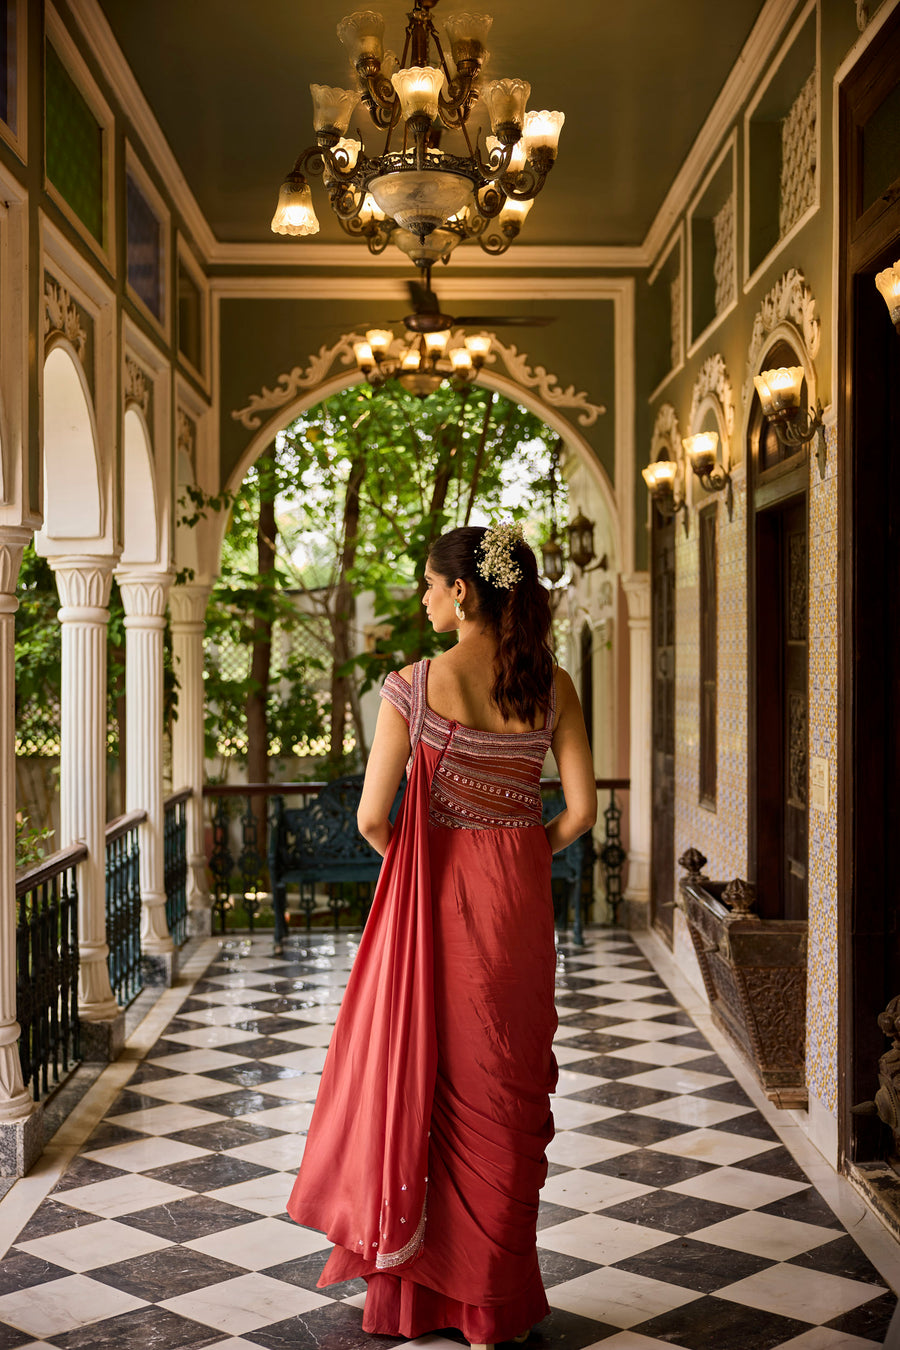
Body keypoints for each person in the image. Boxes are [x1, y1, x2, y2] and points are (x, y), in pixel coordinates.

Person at [287, 522, 597, 1350]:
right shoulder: (552, 682)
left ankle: (429, 1299)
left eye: (429, 585)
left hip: (444, 908)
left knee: (434, 1084)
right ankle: (495, 1304)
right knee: (509, 1090)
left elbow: (371, 818)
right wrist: (524, 849)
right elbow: (580, 813)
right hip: (520, 909)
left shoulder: (415, 686)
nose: (424, 598)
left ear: (462, 592)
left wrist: (432, 869)